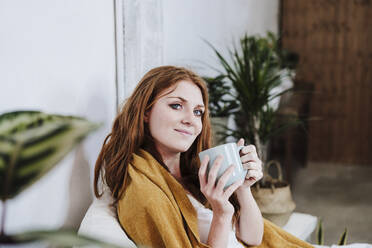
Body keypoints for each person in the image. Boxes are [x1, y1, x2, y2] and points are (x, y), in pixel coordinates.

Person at [93, 66, 314, 248]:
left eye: (198, 112)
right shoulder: (144, 188)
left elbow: (253, 238)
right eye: (177, 105)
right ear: (145, 111)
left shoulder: (196, 171)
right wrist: (221, 214)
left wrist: (243, 188)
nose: (191, 120)